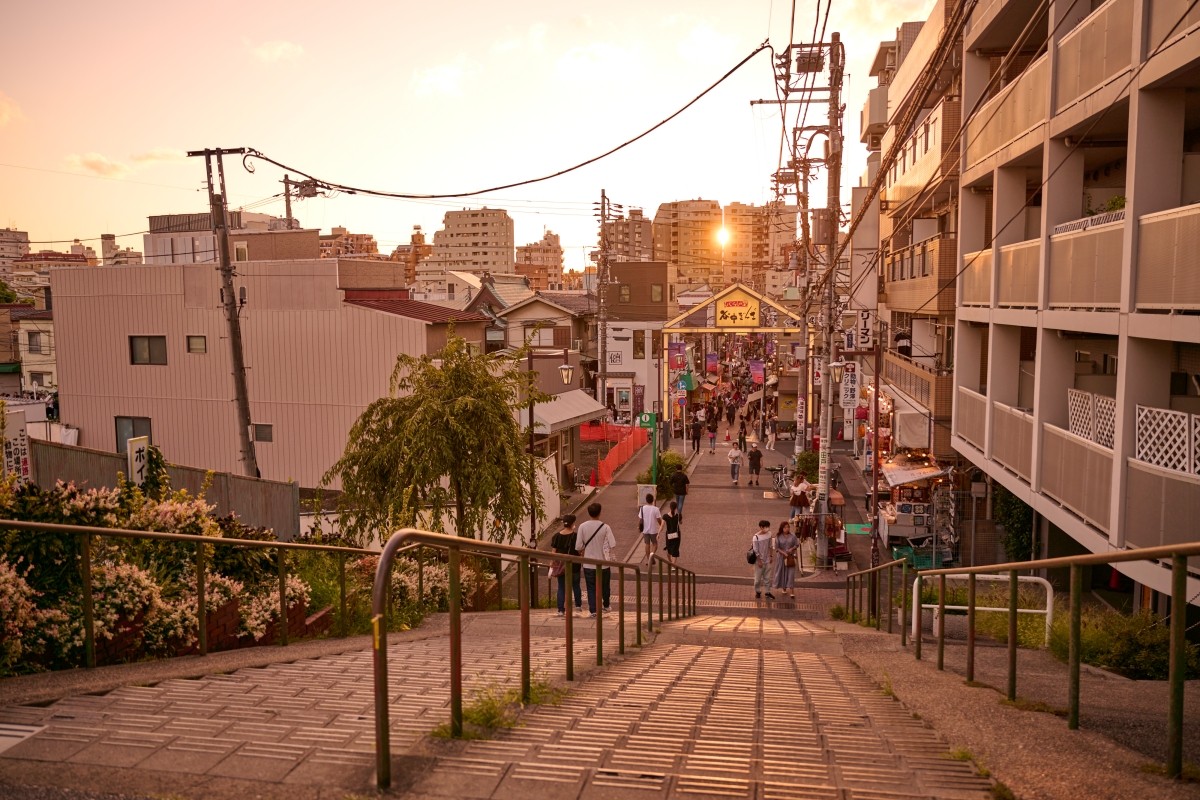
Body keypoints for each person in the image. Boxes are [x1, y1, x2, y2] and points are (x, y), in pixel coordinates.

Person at [577, 502, 616, 617]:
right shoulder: (605, 527)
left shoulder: (582, 526)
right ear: (599, 512)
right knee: (605, 586)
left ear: (589, 513)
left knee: (591, 587)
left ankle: (593, 610)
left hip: (588, 564)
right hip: (603, 563)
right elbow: (613, 543)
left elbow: (578, 546)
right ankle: (606, 605)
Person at [550, 514, 582, 616]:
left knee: (561, 587)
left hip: (561, 566)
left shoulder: (556, 536)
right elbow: (580, 551)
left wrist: (552, 563)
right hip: (574, 565)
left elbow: (553, 552)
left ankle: (560, 609)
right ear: (573, 523)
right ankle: (578, 606)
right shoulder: (576, 536)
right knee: (576, 585)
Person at [773, 520, 800, 600]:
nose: (787, 529)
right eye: (785, 527)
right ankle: (783, 588)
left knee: (791, 574)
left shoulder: (793, 536)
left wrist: (792, 549)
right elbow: (777, 548)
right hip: (781, 558)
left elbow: (797, 544)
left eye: (788, 527)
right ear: (782, 528)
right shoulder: (778, 536)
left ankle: (792, 591)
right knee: (782, 572)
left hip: (790, 557)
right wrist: (784, 553)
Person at [751, 520, 774, 599]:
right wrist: (759, 561)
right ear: (761, 527)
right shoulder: (756, 537)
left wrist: (771, 556)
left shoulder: (769, 534)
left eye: (768, 527)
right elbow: (755, 550)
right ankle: (758, 591)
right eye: (765, 527)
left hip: (767, 559)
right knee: (757, 579)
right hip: (759, 561)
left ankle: (767, 592)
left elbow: (771, 545)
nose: (767, 528)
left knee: (767, 578)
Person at [638, 493, 663, 565]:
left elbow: (640, 519)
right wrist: (661, 525)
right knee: (655, 544)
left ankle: (648, 559)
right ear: (653, 500)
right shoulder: (656, 509)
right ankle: (652, 556)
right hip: (653, 530)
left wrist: (639, 527)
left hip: (645, 530)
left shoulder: (642, 508)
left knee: (647, 544)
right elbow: (658, 519)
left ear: (646, 500)